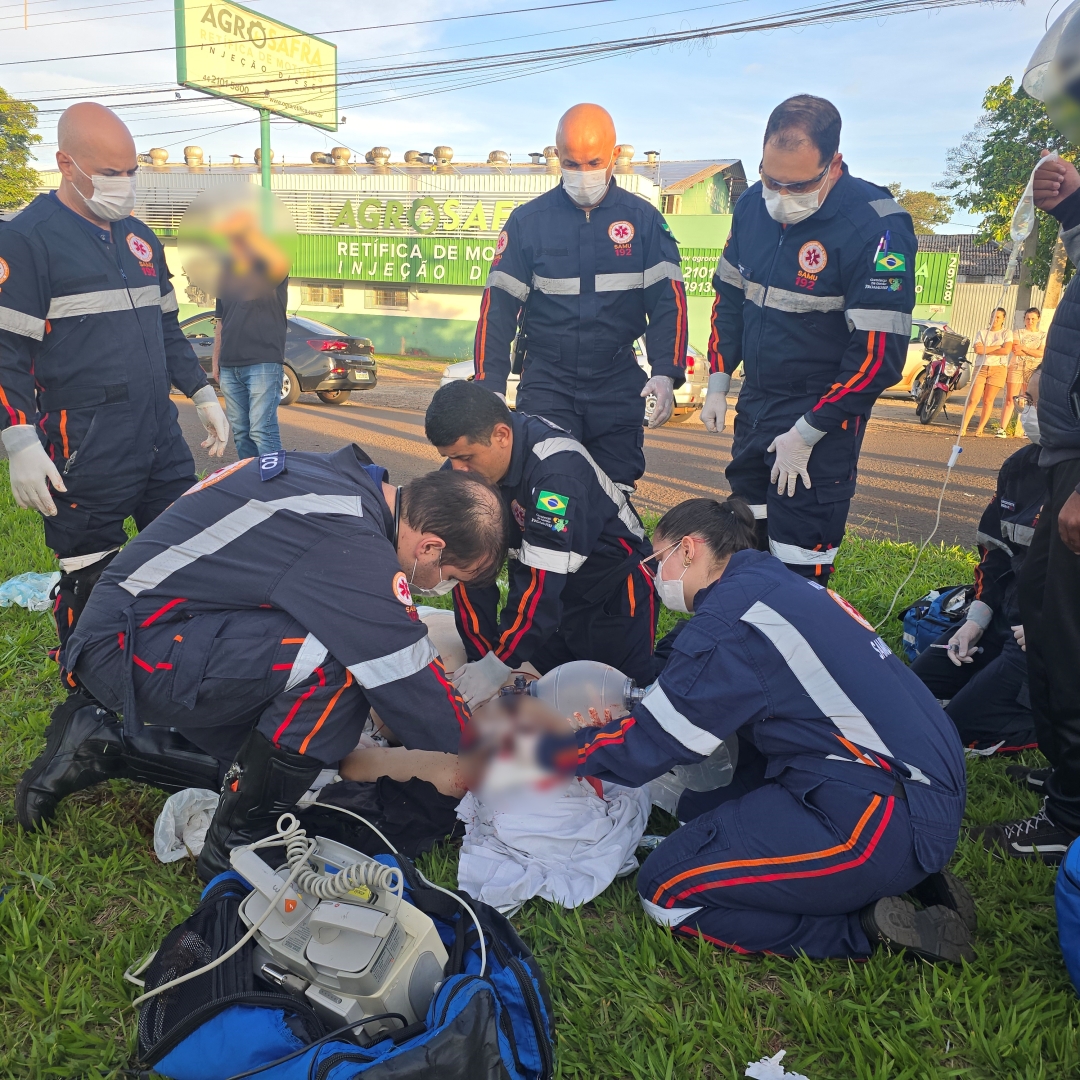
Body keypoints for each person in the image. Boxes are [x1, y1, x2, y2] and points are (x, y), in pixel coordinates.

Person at [15, 452, 506, 880]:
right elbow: (405, 676)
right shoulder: (350, 539)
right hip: (132, 645)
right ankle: (232, 846)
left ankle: (106, 742)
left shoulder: (346, 484)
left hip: (157, 626)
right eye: (449, 576)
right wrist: (482, 755)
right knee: (333, 666)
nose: (439, 586)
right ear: (430, 547)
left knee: (287, 757)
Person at [525, 497, 973, 961]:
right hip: (917, 780)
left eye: (656, 562)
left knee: (668, 890)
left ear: (688, 549)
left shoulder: (727, 625)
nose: (655, 576)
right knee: (703, 810)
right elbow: (686, 678)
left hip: (880, 814)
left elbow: (655, 741)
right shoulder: (765, 580)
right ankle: (901, 873)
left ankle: (864, 929)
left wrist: (546, 753)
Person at [0, 102, 229, 661]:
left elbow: (169, 329)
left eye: (130, 172)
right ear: (66, 164)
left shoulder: (140, 239)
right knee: (92, 576)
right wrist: (19, 441)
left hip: (157, 435)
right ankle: (89, 681)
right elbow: (6, 351)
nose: (124, 185)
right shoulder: (27, 239)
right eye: (110, 174)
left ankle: (169, 665)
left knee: (186, 553)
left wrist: (202, 394)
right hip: (86, 441)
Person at [701, 95, 916, 581]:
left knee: (798, 561)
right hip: (757, 402)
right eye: (769, 177)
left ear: (833, 164)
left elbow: (879, 355)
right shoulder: (753, 206)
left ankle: (795, 648)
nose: (779, 194)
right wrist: (718, 378)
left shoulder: (876, 227)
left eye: (796, 185)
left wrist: (808, 430)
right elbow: (729, 299)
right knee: (745, 537)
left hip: (821, 415)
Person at [471, 102, 688, 489]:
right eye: (571, 163)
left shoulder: (643, 221)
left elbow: (668, 302)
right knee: (546, 488)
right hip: (548, 380)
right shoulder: (528, 222)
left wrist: (665, 372)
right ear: (556, 156)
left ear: (614, 155)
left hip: (617, 377)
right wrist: (489, 383)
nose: (582, 173)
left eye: (593, 162)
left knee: (614, 492)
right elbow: (498, 310)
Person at [424, 380, 656, 706]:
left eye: (465, 458)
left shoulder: (557, 474)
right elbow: (469, 570)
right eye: (449, 458)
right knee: (551, 699)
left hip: (612, 589)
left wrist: (499, 661)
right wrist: (482, 657)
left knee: (621, 700)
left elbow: (540, 581)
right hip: (556, 597)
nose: (458, 471)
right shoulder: (463, 471)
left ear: (501, 436)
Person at [911, 369, 1046, 754]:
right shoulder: (1020, 467)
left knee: (954, 733)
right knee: (908, 691)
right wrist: (976, 621)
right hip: (1005, 622)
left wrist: (1057, 626)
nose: (1027, 412)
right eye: (1026, 401)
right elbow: (994, 553)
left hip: (1050, 638)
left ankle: (1051, 717)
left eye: (1038, 403)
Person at [211, 207, 290, 459]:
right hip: (229, 365)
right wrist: (216, 360)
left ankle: (274, 490)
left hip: (263, 362)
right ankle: (252, 487)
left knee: (261, 431)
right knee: (242, 433)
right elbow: (221, 322)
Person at [959, 308, 1012, 437]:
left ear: (1003, 319)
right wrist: (997, 347)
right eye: (993, 316)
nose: (995, 319)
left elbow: (1006, 351)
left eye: (998, 317)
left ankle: (980, 429)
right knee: (973, 399)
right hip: (981, 367)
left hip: (998, 368)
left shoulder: (1006, 333)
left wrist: (986, 349)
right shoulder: (982, 332)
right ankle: (963, 427)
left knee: (988, 400)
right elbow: (977, 349)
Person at [999, 307, 1045, 437]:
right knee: (1011, 398)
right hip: (1017, 367)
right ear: (1024, 319)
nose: (1030, 321)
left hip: (1033, 369)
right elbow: (1016, 350)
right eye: (1027, 319)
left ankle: (1027, 428)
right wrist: (1031, 351)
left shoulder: (1043, 335)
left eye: (1033, 319)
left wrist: (1024, 348)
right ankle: (1002, 428)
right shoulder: (1018, 332)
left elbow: (1041, 353)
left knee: (1029, 399)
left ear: (1038, 319)